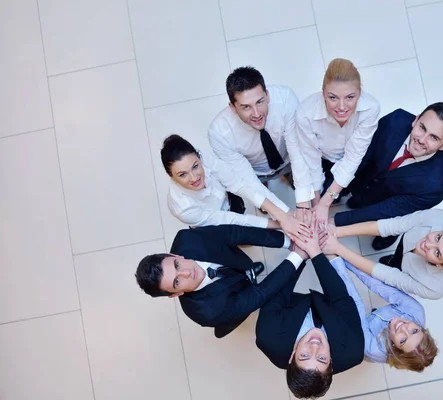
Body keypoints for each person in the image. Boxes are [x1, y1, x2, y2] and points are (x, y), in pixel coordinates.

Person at [255, 214, 364, 399]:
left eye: (304, 356)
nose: (315, 346)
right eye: (321, 358)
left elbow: (278, 293)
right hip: (328, 306)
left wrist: (301, 254)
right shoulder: (352, 350)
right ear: (331, 364)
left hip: (289, 304)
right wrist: (315, 252)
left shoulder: (268, 338)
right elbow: (340, 298)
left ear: (291, 357)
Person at [135, 225, 305, 338]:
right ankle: (247, 279)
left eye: (178, 265)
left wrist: (288, 242)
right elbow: (259, 294)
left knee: (247, 269)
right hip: (229, 306)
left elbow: (236, 233)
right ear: (176, 294)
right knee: (248, 302)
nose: (187, 273)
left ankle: (249, 271)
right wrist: (298, 256)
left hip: (236, 263)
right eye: (177, 281)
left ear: (175, 255)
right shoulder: (207, 311)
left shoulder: (187, 239)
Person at [333, 102, 443, 251]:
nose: (422, 140)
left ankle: (388, 238)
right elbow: (360, 156)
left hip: (391, 208)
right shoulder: (396, 120)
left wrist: (336, 221)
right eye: (422, 128)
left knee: (390, 224)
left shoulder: (437, 185)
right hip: (368, 179)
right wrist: (331, 191)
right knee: (357, 196)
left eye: (434, 138)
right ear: (416, 120)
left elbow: (388, 209)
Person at [161, 134, 310, 241]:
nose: (194, 178)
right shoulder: (184, 208)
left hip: (228, 198)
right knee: (233, 238)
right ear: (170, 176)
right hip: (212, 224)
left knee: (240, 208)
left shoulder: (204, 157)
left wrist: (282, 214)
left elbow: (237, 184)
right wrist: (279, 224)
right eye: (182, 175)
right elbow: (229, 219)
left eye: (195, 166)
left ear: (199, 157)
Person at [325, 209, 443, 300]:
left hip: (405, 271)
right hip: (405, 243)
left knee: (391, 267)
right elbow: (389, 226)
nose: (427, 244)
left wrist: (338, 249)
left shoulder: (435, 287)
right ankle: (392, 258)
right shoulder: (438, 217)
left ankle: (392, 260)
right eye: (437, 236)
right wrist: (336, 232)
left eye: (437, 252)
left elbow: (387, 275)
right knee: (395, 254)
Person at [292, 58, 380, 223]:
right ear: (323, 92)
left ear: (360, 93)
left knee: (349, 188)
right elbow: (311, 160)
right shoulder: (305, 113)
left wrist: (325, 203)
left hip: (355, 157)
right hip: (322, 157)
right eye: (333, 97)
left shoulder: (371, 108)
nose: (341, 106)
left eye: (350, 97)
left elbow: (353, 157)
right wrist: (317, 204)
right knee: (314, 190)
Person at [324, 254, 438, 372]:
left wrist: (334, 259)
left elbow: (354, 306)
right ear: (421, 328)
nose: (403, 328)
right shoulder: (416, 311)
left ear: (394, 348)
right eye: (414, 331)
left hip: (363, 336)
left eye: (403, 340)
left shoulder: (373, 349)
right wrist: (341, 254)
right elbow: (378, 285)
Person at [208, 66, 307, 187]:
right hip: (255, 174)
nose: (256, 114)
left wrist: (305, 199)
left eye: (259, 102)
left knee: (303, 185)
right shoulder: (219, 133)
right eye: (246, 107)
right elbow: (247, 179)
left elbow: (297, 153)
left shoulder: (285, 99)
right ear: (233, 107)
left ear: (267, 95)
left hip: (289, 162)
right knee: (264, 200)